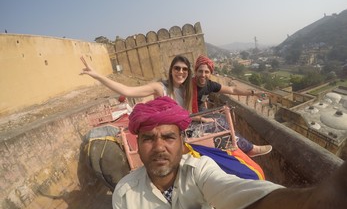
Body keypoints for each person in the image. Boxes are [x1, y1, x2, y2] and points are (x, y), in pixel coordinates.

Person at [113, 96, 347, 209]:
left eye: (168, 137)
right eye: (148, 139)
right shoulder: (125, 195)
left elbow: (240, 195)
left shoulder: (200, 170)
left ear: (182, 142)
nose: (159, 147)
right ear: (139, 144)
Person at [80, 55, 270, 157]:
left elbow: (186, 115)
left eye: (184, 69)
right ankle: (249, 147)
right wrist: (96, 75)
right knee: (219, 123)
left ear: (188, 73)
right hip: (172, 135)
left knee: (218, 119)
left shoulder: (187, 91)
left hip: (185, 128)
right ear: (171, 70)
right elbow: (127, 90)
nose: (180, 72)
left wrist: (201, 117)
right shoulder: (160, 87)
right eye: (177, 68)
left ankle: (243, 148)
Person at [192, 55, 272, 157]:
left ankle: (238, 145)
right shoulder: (188, 85)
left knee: (222, 118)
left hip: (200, 112)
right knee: (219, 122)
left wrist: (254, 92)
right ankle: (249, 148)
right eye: (200, 71)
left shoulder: (210, 85)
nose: (203, 75)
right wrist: (203, 119)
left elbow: (232, 90)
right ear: (195, 71)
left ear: (210, 73)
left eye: (206, 72)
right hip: (190, 119)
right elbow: (181, 111)